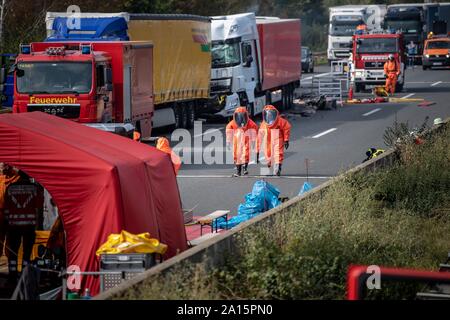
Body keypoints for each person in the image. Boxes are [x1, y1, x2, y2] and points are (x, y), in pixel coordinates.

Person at [3, 170, 43, 280]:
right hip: (29, 226)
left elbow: (6, 208)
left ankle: (12, 276)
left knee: (13, 252)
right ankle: (24, 277)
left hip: (13, 226)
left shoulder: (10, 188)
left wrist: (6, 224)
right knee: (27, 253)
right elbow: (39, 206)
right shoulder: (34, 188)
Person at [257, 105, 291, 176]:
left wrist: (286, 139)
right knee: (268, 154)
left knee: (278, 153)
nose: (269, 116)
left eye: (271, 114)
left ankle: (277, 168)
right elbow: (260, 136)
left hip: (278, 138)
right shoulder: (264, 124)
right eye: (268, 114)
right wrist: (258, 148)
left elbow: (286, 128)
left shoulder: (279, 121)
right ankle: (270, 163)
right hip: (268, 140)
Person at [226, 107, 258, 177]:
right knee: (237, 155)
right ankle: (238, 171)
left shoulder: (250, 123)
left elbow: (254, 130)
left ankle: (244, 169)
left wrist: (253, 140)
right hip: (237, 141)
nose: (241, 119)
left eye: (243, 116)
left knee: (246, 153)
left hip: (246, 140)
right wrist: (228, 141)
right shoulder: (233, 123)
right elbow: (229, 131)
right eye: (239, 116)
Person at [0, 164, 19, 259]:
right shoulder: (1, 179)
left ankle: (11, 264)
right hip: (1, 215)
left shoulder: (17, 179)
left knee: (11, 241)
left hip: (13, 214)